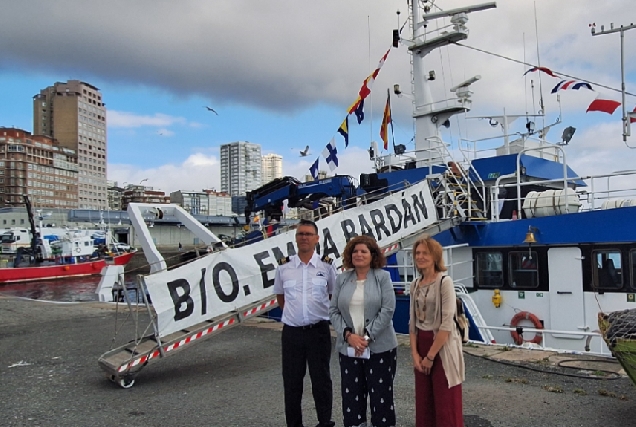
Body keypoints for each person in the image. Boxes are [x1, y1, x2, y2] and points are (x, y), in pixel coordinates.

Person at [329, 235, 398, 427]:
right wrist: (348, 336)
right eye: (355, 251)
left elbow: (388, 309)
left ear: (372, 255)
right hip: (349, 349)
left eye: (363, 251)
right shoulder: (342, 279)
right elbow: (333, 310)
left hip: (380, 349)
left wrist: (366, 337)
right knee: (352, 398)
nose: (358, 254)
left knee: (381, 397)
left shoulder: (382, 277)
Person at [274, 219, 337, 427]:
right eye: (301, 234)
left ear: (317, 239)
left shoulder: (326, 266)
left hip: (318, 332)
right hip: (292, 333)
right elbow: (281, 297)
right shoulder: (284, 267)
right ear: (295, 237)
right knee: (292, 383)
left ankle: (324, 422)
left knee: (321, 381)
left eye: (309, 234)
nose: (304, 237)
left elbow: (332, 295)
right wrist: (295, 316)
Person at [409, 234, 465, 427]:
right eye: (417, 253)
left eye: (425, 253)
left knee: (445, 402)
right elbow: (412, 323)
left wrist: (430, 357)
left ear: (435, 257)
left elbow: (447, 323)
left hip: (441, 347)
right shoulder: (415, 284)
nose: (420, 256)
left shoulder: (444, 282)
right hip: (421, 344)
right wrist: (415, 354)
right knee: (424, 403)